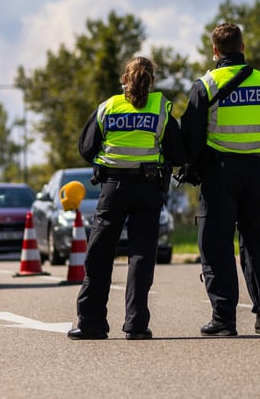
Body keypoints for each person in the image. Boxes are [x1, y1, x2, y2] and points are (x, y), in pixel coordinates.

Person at [68, 56, 186, 341]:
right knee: (141, 256)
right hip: (148, 189)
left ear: (124, 79)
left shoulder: (108, 107)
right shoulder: (160, 108)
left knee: (99, 255)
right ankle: (136, 324)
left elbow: (85, 147)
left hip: (113, 187)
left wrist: (107, 158)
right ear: (152, 80)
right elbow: (179, 152)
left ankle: (91, 323)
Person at [180, 22, 260, 336]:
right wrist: (252, 148)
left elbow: (191, 136)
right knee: (254, 240)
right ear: (242, 46)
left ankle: (224, 318)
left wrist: (194, 165)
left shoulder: (206, 85)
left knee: (215, 245)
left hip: (219, 172)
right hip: (254, 170)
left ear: (215, 51)